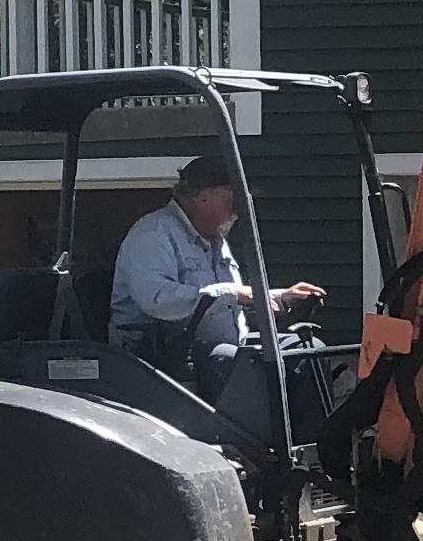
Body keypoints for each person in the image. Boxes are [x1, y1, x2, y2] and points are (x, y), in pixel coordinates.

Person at [109, 153, 320, 379]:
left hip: (223, 346)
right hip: (162, 356)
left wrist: (280, 298)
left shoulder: (214, 239)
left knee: (307, 349)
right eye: (233, 198)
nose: (239, 210)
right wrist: (235, 293)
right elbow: (157, 299)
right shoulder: (153, 234)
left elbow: (232, 298)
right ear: (202, 196)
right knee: (242, 366)